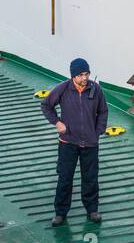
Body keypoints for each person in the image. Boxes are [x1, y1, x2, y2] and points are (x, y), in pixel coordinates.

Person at [42, 58, 108, 227]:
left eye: (86, 74)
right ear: (73, 76)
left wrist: (98, 131)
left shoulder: (96, 89)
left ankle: (92, 209)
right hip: (68, 142)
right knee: (65, 177)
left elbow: (103, 111)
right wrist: (57, 123)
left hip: (90, 143)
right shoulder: (63, 89)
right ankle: (60, 213)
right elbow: (46, 105)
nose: (85, 78)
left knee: (90, 177)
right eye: (81, 75)